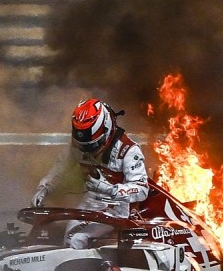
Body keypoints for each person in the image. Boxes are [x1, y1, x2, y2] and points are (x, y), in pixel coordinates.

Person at [31, 98, 149, 249]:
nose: (86, 150)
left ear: (106, 130)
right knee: (52, 232)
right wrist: (44, 188)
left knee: (75, 238)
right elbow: (59, 169)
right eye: (82, 145)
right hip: (88, 204)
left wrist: (109, 189)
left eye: (92, 145)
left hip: (115, 208)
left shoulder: (128, 150)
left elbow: (142, 189)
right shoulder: (78, 146)